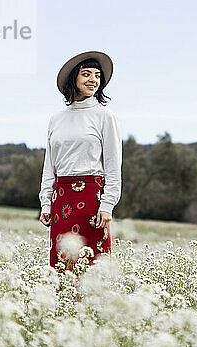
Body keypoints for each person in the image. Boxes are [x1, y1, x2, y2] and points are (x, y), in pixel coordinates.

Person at [38, 50, 122, 273]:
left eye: (97, 75)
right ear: (73, 78)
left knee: (92, 265)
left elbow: (113, 166)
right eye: (86, 74)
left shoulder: (105, 116)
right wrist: (45, 202)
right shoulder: (56, 118)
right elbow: (50, 165)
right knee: (62, 265)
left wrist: (107, 205)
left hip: (92, 199)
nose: (93, 79)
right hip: (61, 197)